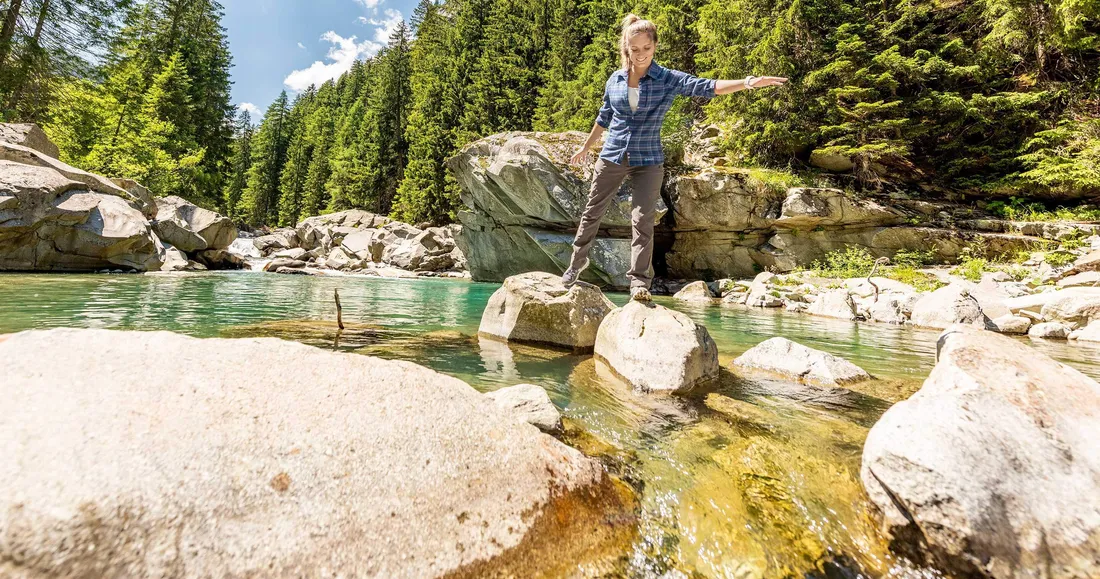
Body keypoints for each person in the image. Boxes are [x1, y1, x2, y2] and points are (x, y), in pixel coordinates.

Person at [562, 13, 788, 301]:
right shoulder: (615, 80)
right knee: (591, 213)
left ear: (655, 46)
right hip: (612, 156)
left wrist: (747, 82)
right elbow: (604, 117)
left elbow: (707, 86)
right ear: (626, 48)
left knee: (643, 221)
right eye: (635, 49)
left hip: (649, 160)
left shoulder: (667, 78)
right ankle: (575, 266)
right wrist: (586, 146)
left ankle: (639, 282)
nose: (641, 54)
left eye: (646, 48)